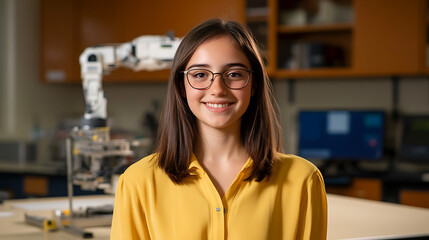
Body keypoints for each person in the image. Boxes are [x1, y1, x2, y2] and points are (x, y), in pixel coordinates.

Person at [110, 19, 327, 240]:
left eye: (234, 74)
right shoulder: (138, 182)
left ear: (254, 85)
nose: (217, 89)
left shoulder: (303, 180)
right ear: (181, 86)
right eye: (200, 74)